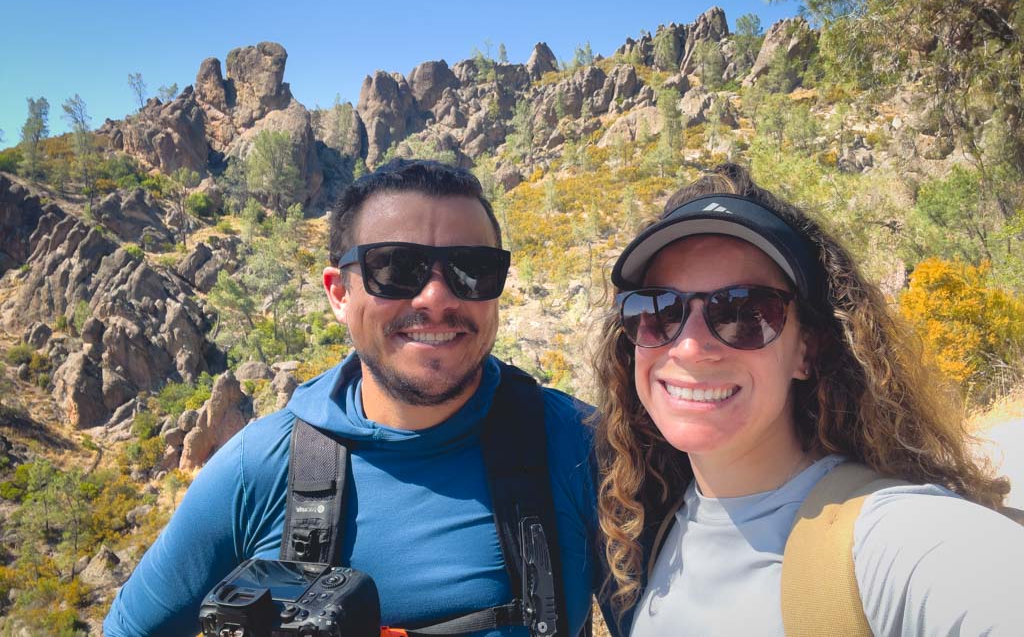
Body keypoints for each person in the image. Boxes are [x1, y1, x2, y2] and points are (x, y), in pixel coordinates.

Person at [105, 159, 607, 637]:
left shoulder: (581, 449)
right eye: (394, 267)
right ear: (339, 294)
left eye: (471, 269)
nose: (436, 297)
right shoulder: (256, 472)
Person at [593, 163, 1024, 635]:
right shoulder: (660, 536)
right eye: (657, 311)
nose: (690, 346)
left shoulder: (893, 539)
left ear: (808, 347)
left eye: (743, 312)